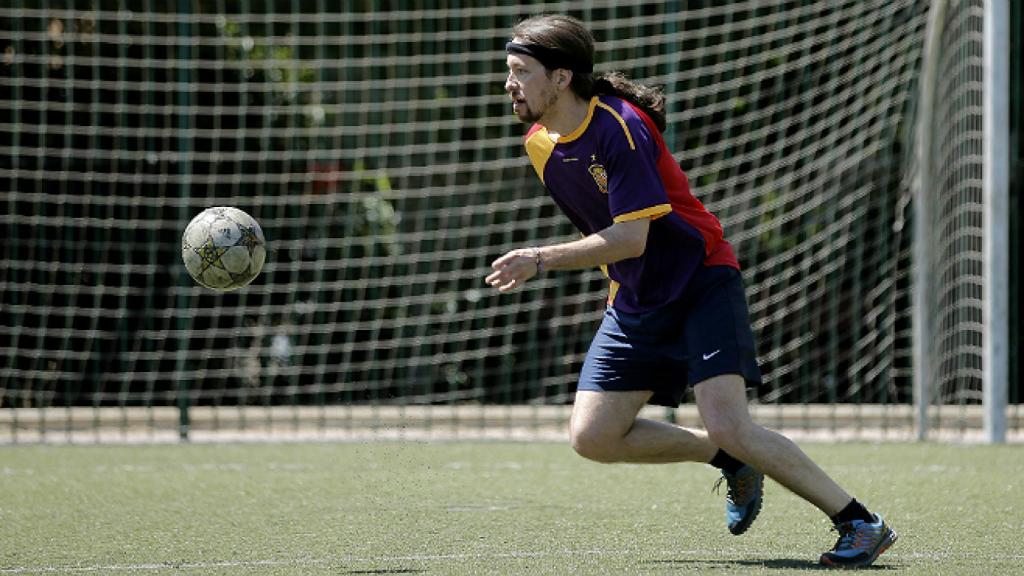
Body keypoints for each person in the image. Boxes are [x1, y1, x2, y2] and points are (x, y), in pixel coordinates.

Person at [485, 14, 898, 569]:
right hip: (637, 299)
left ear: (561, 77)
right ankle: (729, 459)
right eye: (509, 70)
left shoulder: (621, 127)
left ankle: (859, 522)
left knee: (730, 421)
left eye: (520, 71)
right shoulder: (539, 144)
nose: (509, 83)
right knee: (593, 437)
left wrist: (539, 258)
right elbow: (601, 230)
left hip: (700, 281)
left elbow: (631, 237)